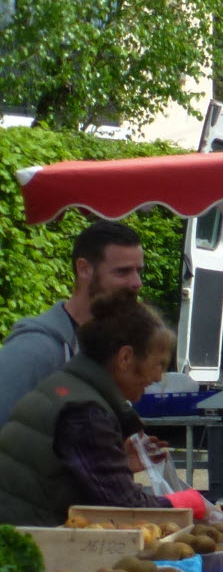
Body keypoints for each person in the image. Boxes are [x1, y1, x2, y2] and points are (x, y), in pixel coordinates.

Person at [0, 294, 208, 525]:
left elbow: (65, 480)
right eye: (158, 363)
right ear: (126, 358)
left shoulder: (68, 386)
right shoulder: (86, 411)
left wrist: (117, 462)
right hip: (27, 545)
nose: (159, 376)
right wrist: (190, 502)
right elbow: (126, 508)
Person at [0, 221, 144, 423]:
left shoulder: (114, 346)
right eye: (122, 272)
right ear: (84, 269)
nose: (136, 282)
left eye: (139, 271)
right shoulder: (36, 349)